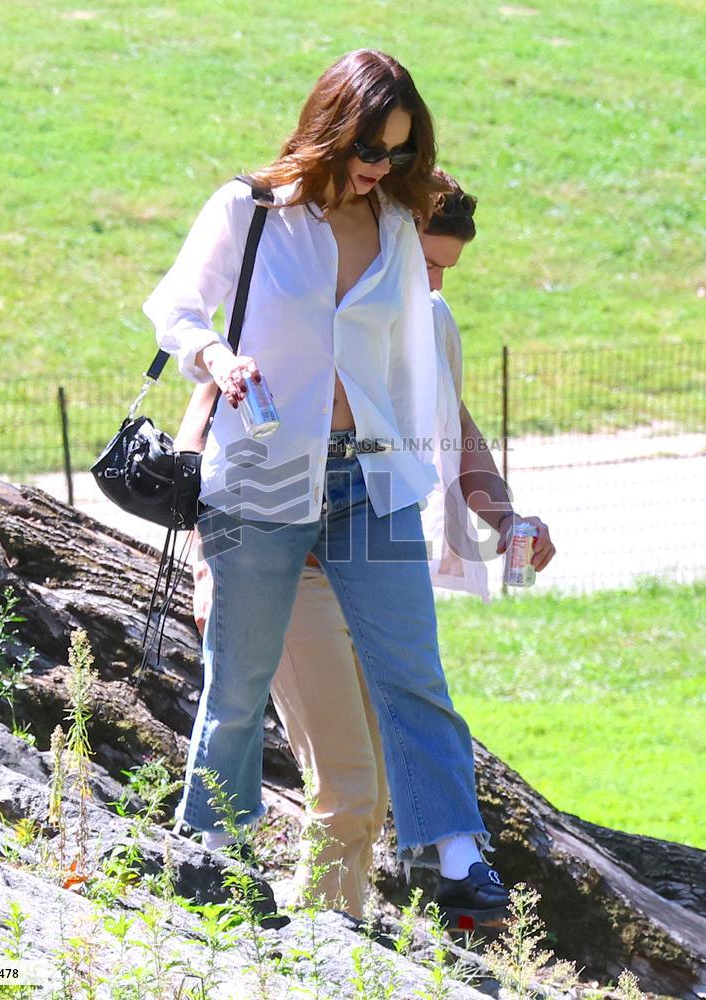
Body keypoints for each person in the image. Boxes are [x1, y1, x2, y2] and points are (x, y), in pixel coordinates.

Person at [144, 49, 513, 928]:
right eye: (369, 148)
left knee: (413, 674)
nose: (379, 168)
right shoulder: (250, 209)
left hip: (370, 480)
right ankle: (212, 858)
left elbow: (412, 363)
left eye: (396, 153)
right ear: (332, 129)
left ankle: (454, 858)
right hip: (260, 480)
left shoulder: (391, 221)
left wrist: (491, 503)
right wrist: (216, 358)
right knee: (236, 685)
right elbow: (175, 308)